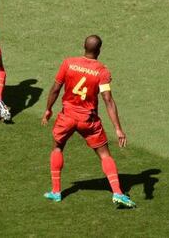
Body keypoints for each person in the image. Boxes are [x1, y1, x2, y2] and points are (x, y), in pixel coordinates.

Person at [41, 35, 136, 208]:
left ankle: (56, 192)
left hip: (67, 117)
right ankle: (118, 193)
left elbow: (55, 88)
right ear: (99, 50)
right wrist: (118, 129)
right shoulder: (102, 71)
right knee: (105, 155)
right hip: (88, 121)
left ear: (83, 47)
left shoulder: (68, 63)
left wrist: (48, 109)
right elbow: (108, 99)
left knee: (57, 148)